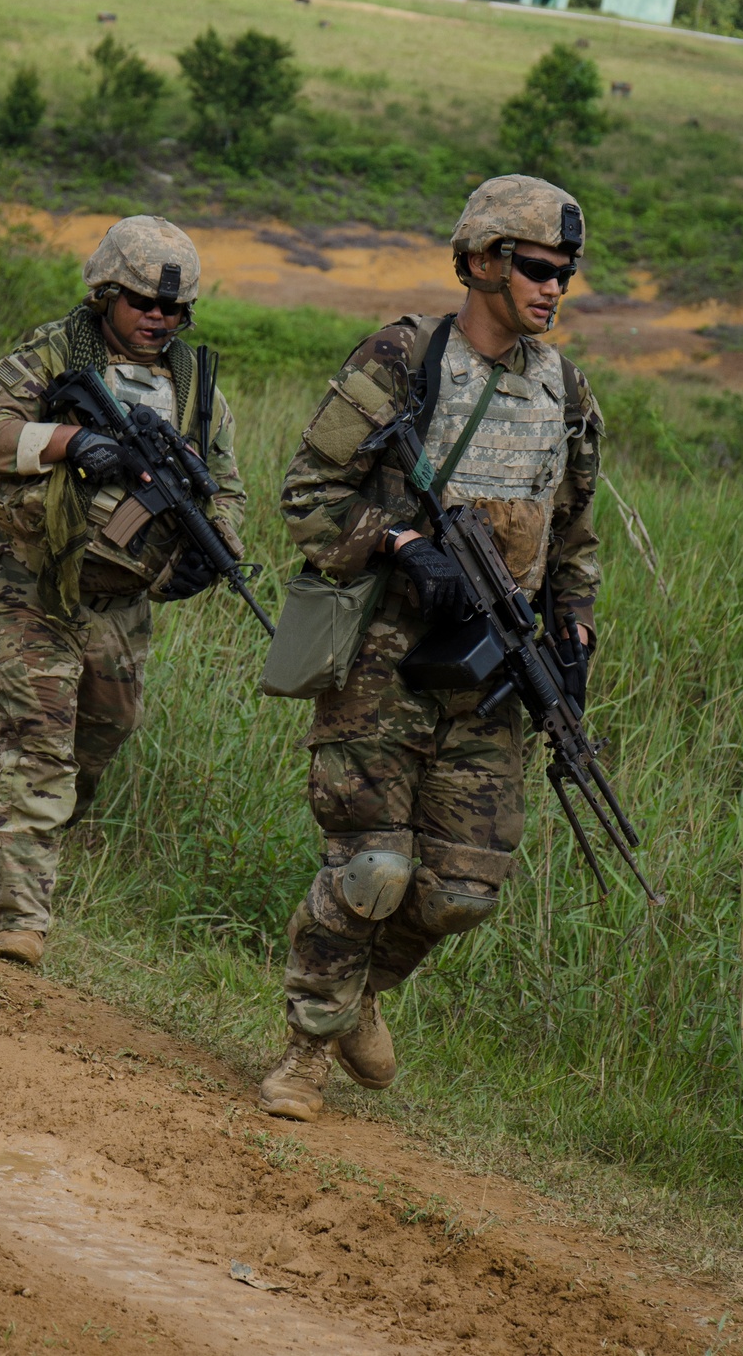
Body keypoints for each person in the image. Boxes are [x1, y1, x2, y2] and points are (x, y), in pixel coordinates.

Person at [259, 175, 603, 1121]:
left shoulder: (563, 388)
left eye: (566, 273)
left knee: (460, 889)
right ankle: (304, 1050)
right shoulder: (406, 357)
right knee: (372, 870)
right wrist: (402, 543)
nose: (554, 289)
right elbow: (307, 493)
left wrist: (573, 631)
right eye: (537, 268)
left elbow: (574, 532)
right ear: (484, 260)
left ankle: (363, 989)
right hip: (381, 659)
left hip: (492, 671)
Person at [0, 216, 245, 967]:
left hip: (122, 604)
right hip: (38, 586)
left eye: (174, 310)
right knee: (40, 750)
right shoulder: (54, 353)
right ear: (105, 293)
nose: (159, 318)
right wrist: (68, 441)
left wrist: (216, 551)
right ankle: (24, 918)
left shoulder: (194, 384)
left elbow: (227, 485)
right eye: (144, 302)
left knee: (90, 754)